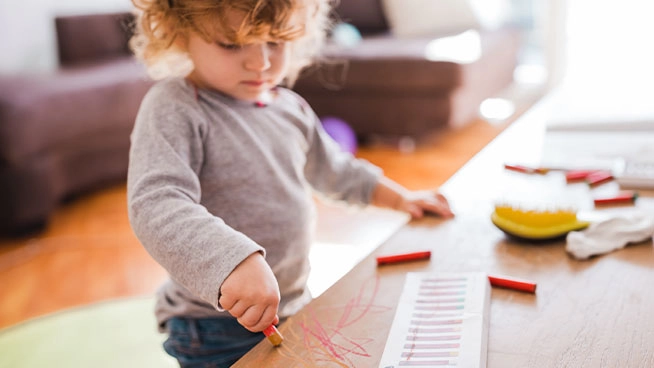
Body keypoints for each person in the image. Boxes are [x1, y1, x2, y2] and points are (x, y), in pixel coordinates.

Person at [127, 0, 454, 366]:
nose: (261, 63)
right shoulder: (176, 105)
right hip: (214, 326)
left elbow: (338, 172)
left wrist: (401, 198)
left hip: (295, 303)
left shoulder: (290, 108)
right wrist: (230, 262)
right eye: (232, 44)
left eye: (275, 42)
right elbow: (157, 201)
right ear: (178, 33)